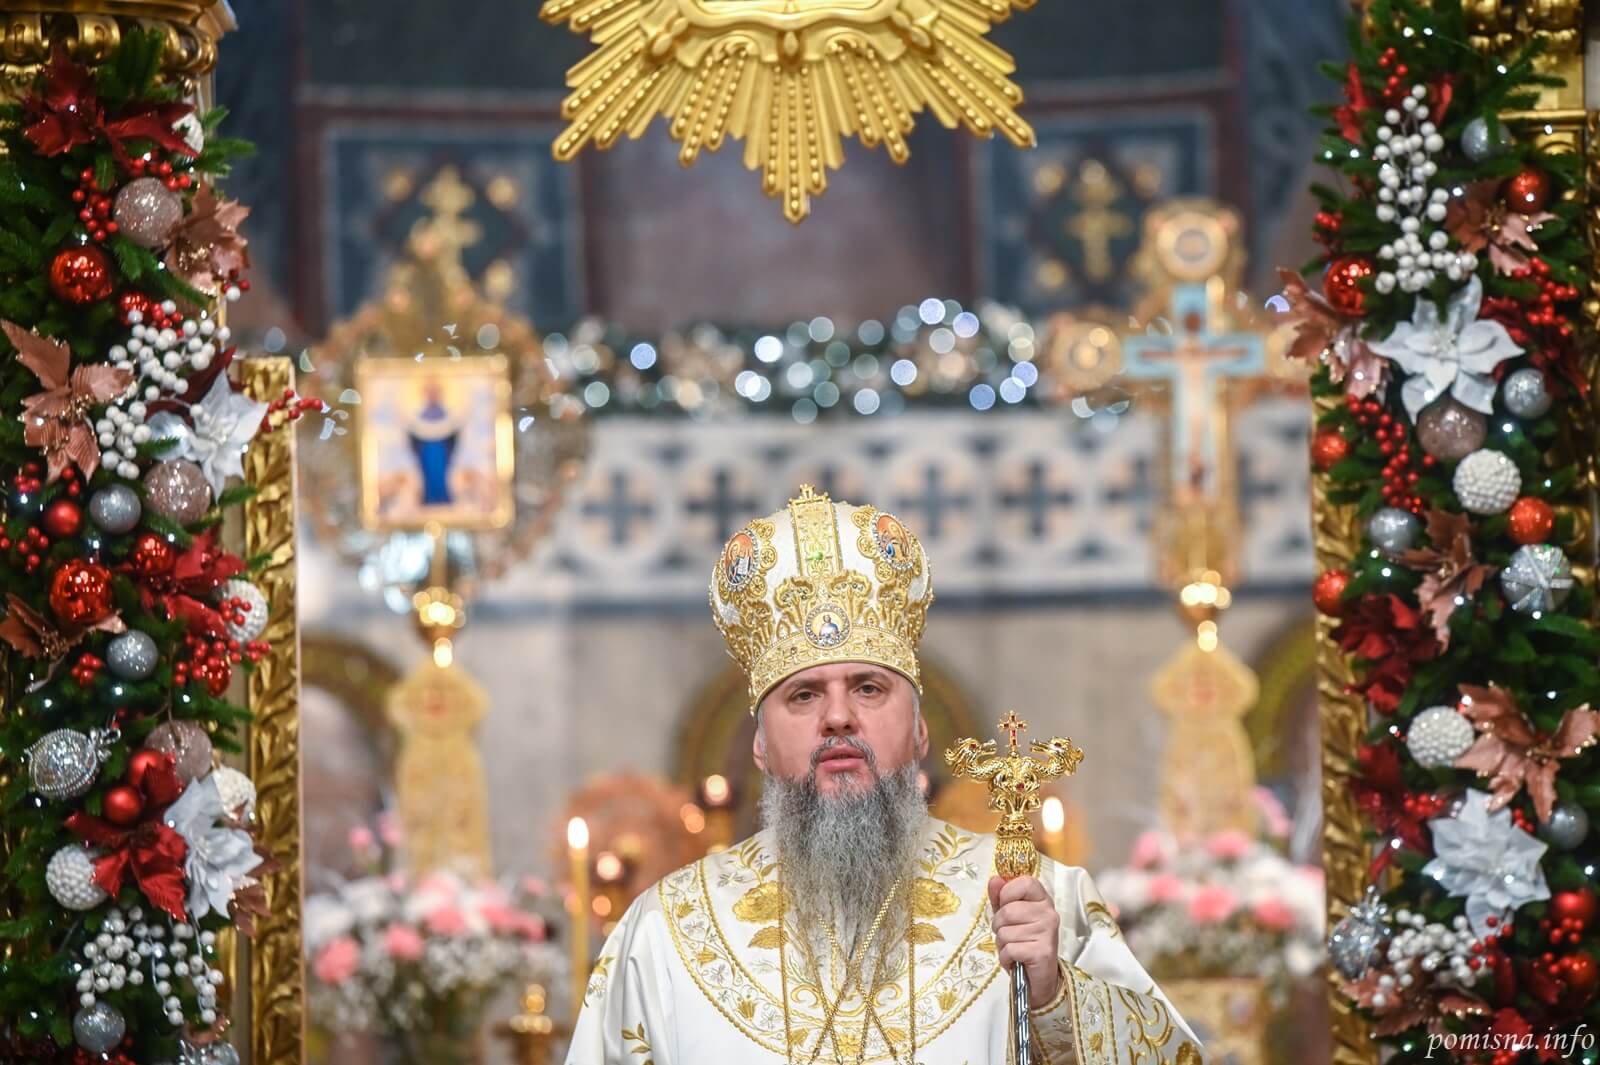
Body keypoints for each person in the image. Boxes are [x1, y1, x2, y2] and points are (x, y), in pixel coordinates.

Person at [567, 485, 1203, 1064]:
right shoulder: (663, 934)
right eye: (804, 696)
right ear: (759, 744)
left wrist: (1052, 998)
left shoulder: (1036, 900)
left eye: (868, 688)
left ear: (921, 731)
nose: (838, 716)